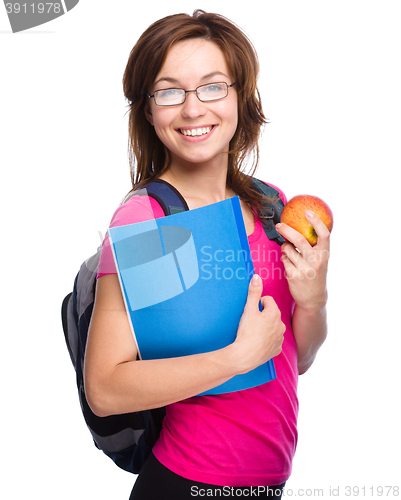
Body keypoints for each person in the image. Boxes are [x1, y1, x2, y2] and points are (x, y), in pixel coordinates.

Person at [84, 10, 330, 499]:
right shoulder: (151, 219)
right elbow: (106, 388)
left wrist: (314, 299)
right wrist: (236, 357)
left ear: (241, 97)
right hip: (187, 483)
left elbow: (293, 358)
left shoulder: (271, 206)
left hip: (265, 485)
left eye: (213, 86)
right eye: (170, 91)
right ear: (149, 111)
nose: (193, 109)